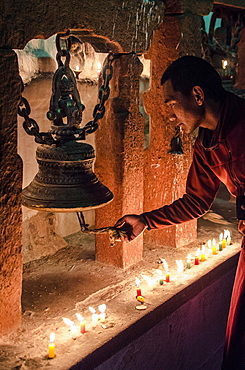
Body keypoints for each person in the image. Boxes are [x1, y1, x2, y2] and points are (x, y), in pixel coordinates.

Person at [114, 56, 245, 370]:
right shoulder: (205, 145)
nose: (170, 115)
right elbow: (196, 202)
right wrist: (145, 220)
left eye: (172, 103)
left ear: (198, 96)